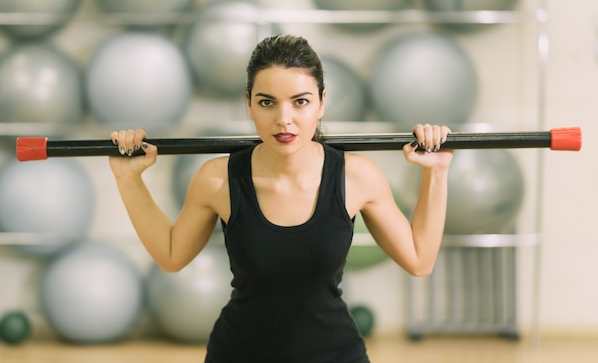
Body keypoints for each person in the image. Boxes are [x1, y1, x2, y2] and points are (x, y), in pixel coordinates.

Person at [109, 34, 453, 363]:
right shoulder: (217, 179)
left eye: (300, 101)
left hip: (335, 356)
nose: (283, 119)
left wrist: (435, 171)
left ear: (321, 102)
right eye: (266, 102)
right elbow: (171, 256)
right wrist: (128, 179)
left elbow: (419, 260)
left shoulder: (356, 176)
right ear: (249, 104)